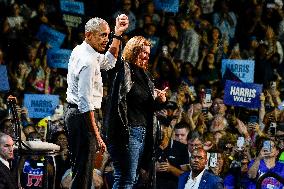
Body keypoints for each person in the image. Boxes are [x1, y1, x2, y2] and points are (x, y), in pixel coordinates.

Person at [64, 14, 129, 189]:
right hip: (81, 115)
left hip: (76, 114)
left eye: (108, 35)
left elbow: (108, 62)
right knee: (84, 170)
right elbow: (85, 105)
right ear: (88, 35)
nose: (106, 40)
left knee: (82, 169)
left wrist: (118, 35)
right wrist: (98, 136)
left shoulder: (82, 50)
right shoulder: (88, 61)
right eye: (103, 35)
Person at [104, 35, 167, 189]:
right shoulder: (122, 69)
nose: (146, 56)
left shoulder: (146, 77)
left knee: (130, 178)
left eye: (148, 53)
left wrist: (159, 99)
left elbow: (146, 108)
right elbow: (112, 59)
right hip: (127, 131)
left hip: (142, 131)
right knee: (126, 178)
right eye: (142, 52)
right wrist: (118, 33)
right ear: (133, 50)